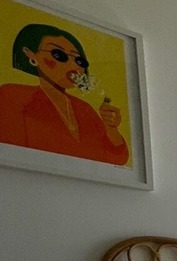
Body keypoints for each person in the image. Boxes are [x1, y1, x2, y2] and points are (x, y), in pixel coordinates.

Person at [0, 23, 129, 166]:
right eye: (59, 55)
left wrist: (111, 128)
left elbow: (116, 161)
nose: (73, 66)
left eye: (79, 60)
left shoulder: (84, 109)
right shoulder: (13, 95)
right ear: (31, 56)